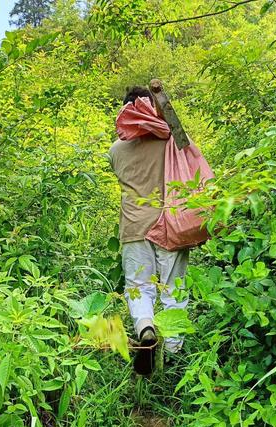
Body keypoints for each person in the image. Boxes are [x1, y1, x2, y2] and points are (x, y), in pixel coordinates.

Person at [109, 86, 189, 375]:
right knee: (173, 290)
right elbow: (189, 152)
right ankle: (174, 358)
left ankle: (145, 329)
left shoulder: (116, 151)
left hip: (133, 227)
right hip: (171, 224)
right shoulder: (170, 142)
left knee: (138, 287)